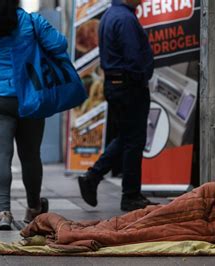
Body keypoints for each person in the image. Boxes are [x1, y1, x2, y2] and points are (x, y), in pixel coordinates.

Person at [0, 0, 67, 229]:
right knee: (30, 155)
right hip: (29, 97)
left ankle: (3, 213)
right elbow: (60, 45)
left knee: (0, 153)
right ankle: (33, 208)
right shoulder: (32, 22)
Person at [78, 0, 157, 212]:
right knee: (134, 140)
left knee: (126, 137)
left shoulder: (111, 15)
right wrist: (142, 78)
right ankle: (130, 195)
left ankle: (92, 177)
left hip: (116, 85)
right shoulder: (125, 18)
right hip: (129, 87)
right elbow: (134, 57)